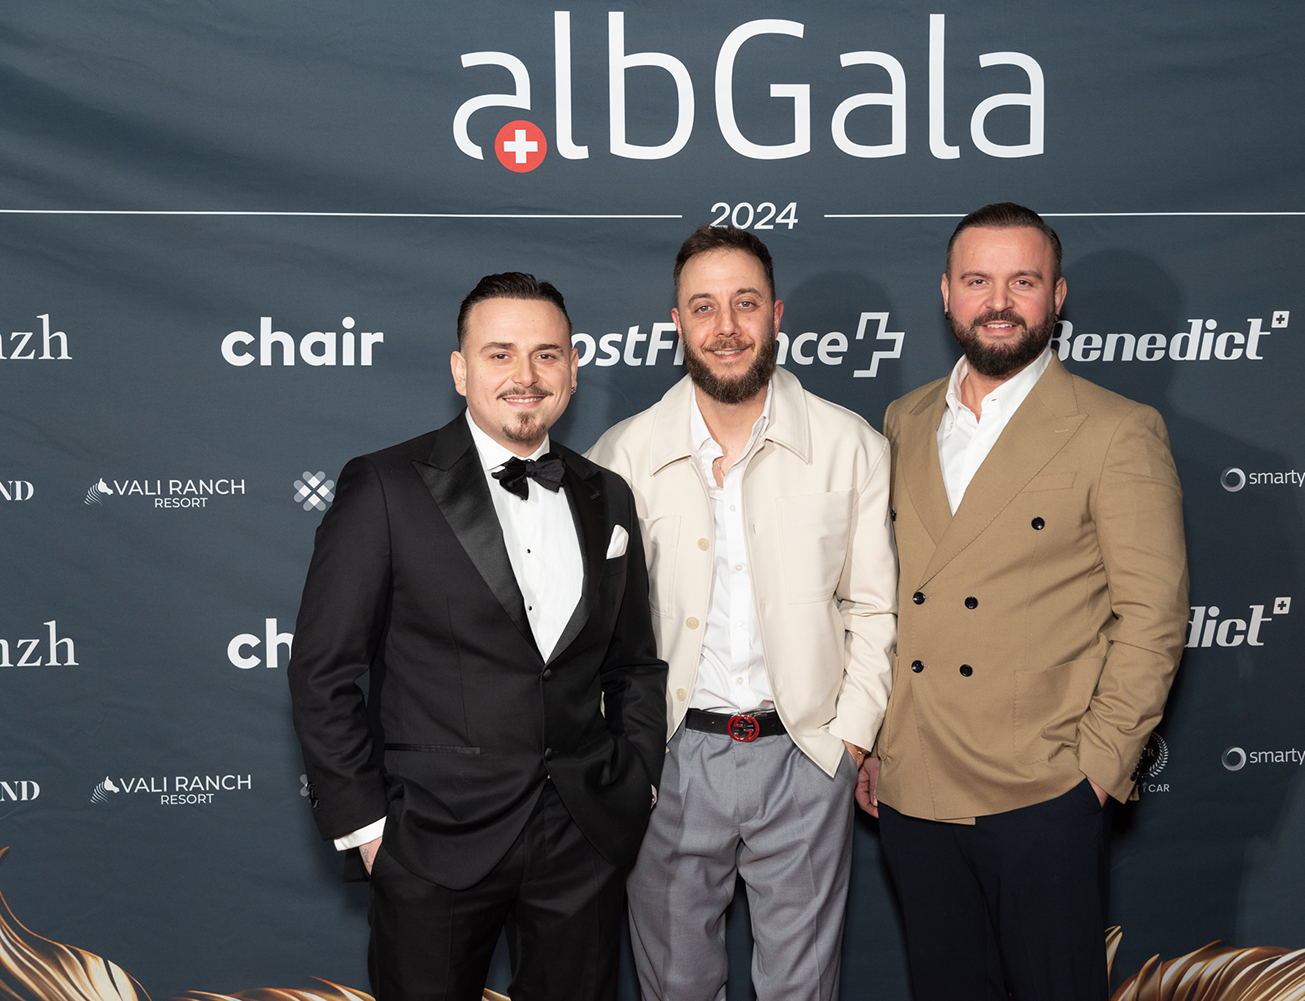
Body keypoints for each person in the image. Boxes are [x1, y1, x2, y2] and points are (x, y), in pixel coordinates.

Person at [287, 272, 667, 1001]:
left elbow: (634, 664)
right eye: (500, 354)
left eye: (546, 354)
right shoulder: (385, 486)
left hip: (583, 834)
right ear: (461, 371)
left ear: (573, 368)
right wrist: (369, 831)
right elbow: (322, 672)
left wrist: (638, 783)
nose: (526, 375)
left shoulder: (607, 494)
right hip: (432, 839)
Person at [861, 202, 1189, 1000]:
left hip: (1043, 790)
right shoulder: (903, 420)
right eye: (977, 280)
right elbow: (879, 597)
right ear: (946, 293)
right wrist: (874, 739)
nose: (998, 302)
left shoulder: (1116, 429)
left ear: (1057, 295)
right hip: (914, 785)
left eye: (1023, 281)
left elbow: (1154, 616)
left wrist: (1096, 769)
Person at [587, 225, 897, 1001]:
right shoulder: (620, 456)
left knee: (804, 989)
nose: (726, 326)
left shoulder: (850, 445)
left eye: (745, 303)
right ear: (678, 323)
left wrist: (849, 740)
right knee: (675, 987)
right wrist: (625, 752)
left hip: (805, 754)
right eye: (704, 306)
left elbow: (874, 606)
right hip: (666, 760)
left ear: (777, 314)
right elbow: (595, 631)